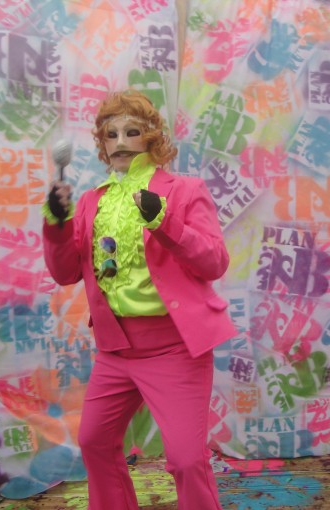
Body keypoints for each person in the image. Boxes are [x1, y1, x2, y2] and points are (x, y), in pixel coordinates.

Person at [42, 89, 237, 510]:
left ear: (152, 137)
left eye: (132, 132)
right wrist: (57, 225)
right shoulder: (92, 201)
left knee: (186, 460)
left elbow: (215, 262)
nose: (121, 142)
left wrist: (163, 220)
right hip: (116, 349)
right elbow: (65, 273)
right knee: (94, 441)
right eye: (110, 134)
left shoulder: (184, 190)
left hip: (175, 349)